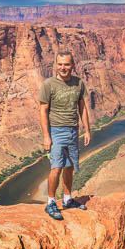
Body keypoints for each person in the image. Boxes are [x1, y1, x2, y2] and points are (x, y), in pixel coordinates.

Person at [39, 51, 91, 220]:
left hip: (73, 131)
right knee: (56, 168)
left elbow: (82, 108)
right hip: (56, 131)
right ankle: (51, 202)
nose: (63, 68)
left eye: (67, 64)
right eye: (60, 64)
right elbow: (43, 111)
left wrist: (87, 130)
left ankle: (68, 199)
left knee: (69, 167)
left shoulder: (79, 83)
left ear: (73, 65)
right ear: (56, 65)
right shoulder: (49, 84)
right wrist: (46, 136)